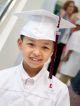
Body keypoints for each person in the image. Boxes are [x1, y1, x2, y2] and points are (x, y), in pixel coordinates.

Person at [0, 9, 75, 106]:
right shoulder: (2, 79)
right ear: (20, 43)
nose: (36, 52)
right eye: (31, 44)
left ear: (53, 50)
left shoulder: (60, 91)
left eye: (45, 47)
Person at [52, 0, 78, 76]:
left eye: (72, 6)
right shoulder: (62, 14)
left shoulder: (72, 18)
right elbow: (54, 24)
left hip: (63, 42)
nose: (71, 8)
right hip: (57, 40)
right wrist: (61, 16)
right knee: (54, 59)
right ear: (66, 7)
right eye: (70, 6)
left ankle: (51, 76)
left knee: (57, 60)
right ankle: (49, 75)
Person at [59, 18, 80, 84]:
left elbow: (72, 47)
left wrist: (66, 56)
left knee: (63, 79)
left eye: (77, 25)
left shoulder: (76, 34)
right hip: (76, 61)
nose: (75, 26)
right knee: (71, 79)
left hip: (71, 59)